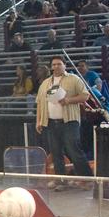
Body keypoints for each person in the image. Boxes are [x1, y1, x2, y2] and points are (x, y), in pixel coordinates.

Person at [35, 56, 93, 184]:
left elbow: (85, 95)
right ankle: (61, 181)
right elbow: (39, 103)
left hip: (69, 121)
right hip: (50, 122)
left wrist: (69, 100)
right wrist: (38, 121)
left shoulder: (74, 79)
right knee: (56, 152)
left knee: (73, 149)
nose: (56, 66)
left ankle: (87, 178)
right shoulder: (45, 83)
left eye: (59, 64)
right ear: (51, 67)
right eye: (54, 64)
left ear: (65, 65)